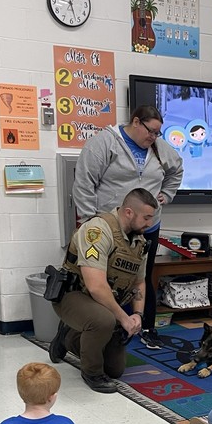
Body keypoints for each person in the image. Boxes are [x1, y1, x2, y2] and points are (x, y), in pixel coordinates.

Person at [71, 104, 184, 350]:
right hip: (110, 227)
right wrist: (89, 222)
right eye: (151, 131)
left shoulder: (159, 148)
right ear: (135, 122)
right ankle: (106, 329)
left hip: (147, 227)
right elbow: (84, 183)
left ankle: (145, 327)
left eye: (158, 133)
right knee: (104, 280)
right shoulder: (104, 143)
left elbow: (177, 169)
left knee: (141, 277)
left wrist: (167, 193)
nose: (154, 137)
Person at [49, 188, 156, 394]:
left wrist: (138, 314)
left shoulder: (139, 243)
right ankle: (91, 373)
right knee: (103, 321)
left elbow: (139, 283)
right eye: (146, 217)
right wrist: (124, 319)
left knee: (115, 369)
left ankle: (68, 338)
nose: (149, 224)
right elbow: (95, 286)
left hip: (105, 303)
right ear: (128, 212)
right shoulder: (97, 230)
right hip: (73, 295)